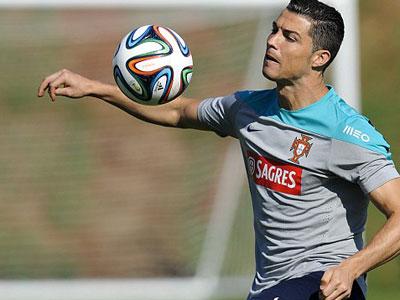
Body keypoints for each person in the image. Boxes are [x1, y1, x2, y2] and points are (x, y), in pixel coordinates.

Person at [37, 0, 400, 299]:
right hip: (272, 285)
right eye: (274, 30)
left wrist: (352, 268)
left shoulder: (346, 132)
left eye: (289, 37)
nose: (272, 41)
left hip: (322, 284)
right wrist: (96, 88)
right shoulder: (248, 110)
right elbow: (178, 110)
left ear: (319, 58)